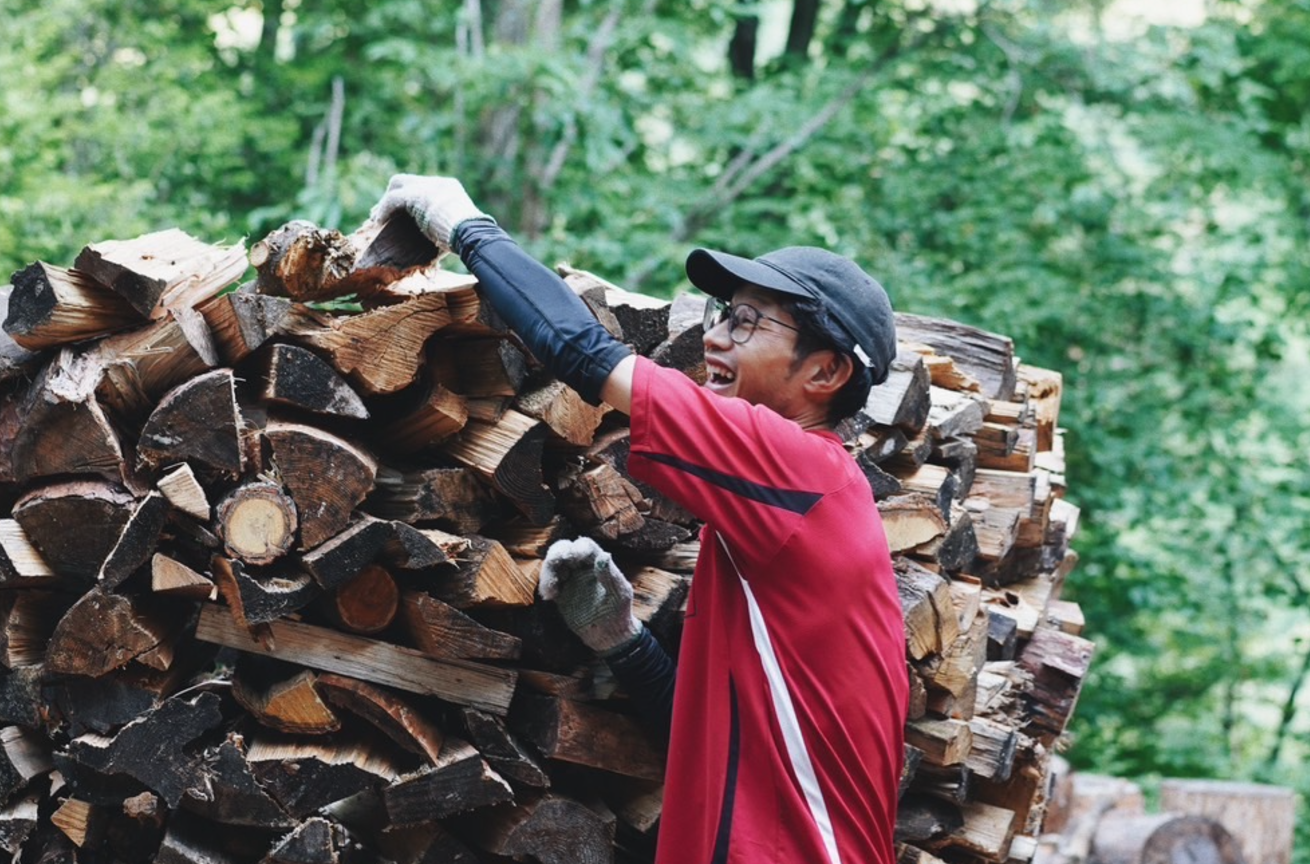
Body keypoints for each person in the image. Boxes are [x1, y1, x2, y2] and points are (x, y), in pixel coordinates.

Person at [371, 175, 909, 864]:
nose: (715, 338)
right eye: (722, 314)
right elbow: (714, 737)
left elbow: (584, 353)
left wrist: (462, 224)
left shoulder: (803, 472)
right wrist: (622, 640)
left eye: (747, 323)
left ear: (826, 373)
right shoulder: (784, 512)